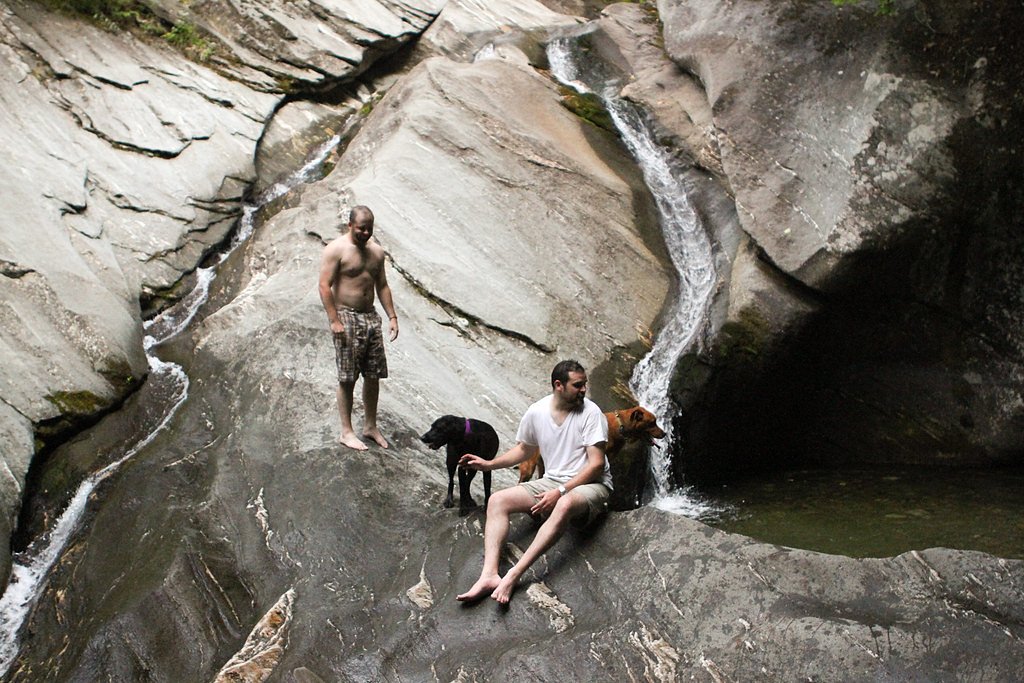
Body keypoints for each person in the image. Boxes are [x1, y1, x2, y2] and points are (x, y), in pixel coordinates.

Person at [457, 359, 612, 604]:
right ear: (558, 385)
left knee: (564, 504)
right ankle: (489, 575)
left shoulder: (591, 413)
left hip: (592, 485)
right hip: (552, 482)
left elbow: (596, 465)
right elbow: (524, 450)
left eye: (585, 384)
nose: (584, 390)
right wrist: (488, 464)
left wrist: (560, 491)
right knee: (497, 500)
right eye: (578, 385)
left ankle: (513, 575)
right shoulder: (537, 411)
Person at [318, 205, 399, 450]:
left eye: (369, 229)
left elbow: (382, 285)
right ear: (350, 225)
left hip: (370, 317)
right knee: (348, 377)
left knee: (373, 374)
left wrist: (392, 317)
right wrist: (334, 320)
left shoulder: (376, 252)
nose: (365, 233)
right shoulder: (336, 250)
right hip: (346, 315)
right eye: (361, 228)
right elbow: (324, 286)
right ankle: (346, 431)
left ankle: (370, 426)